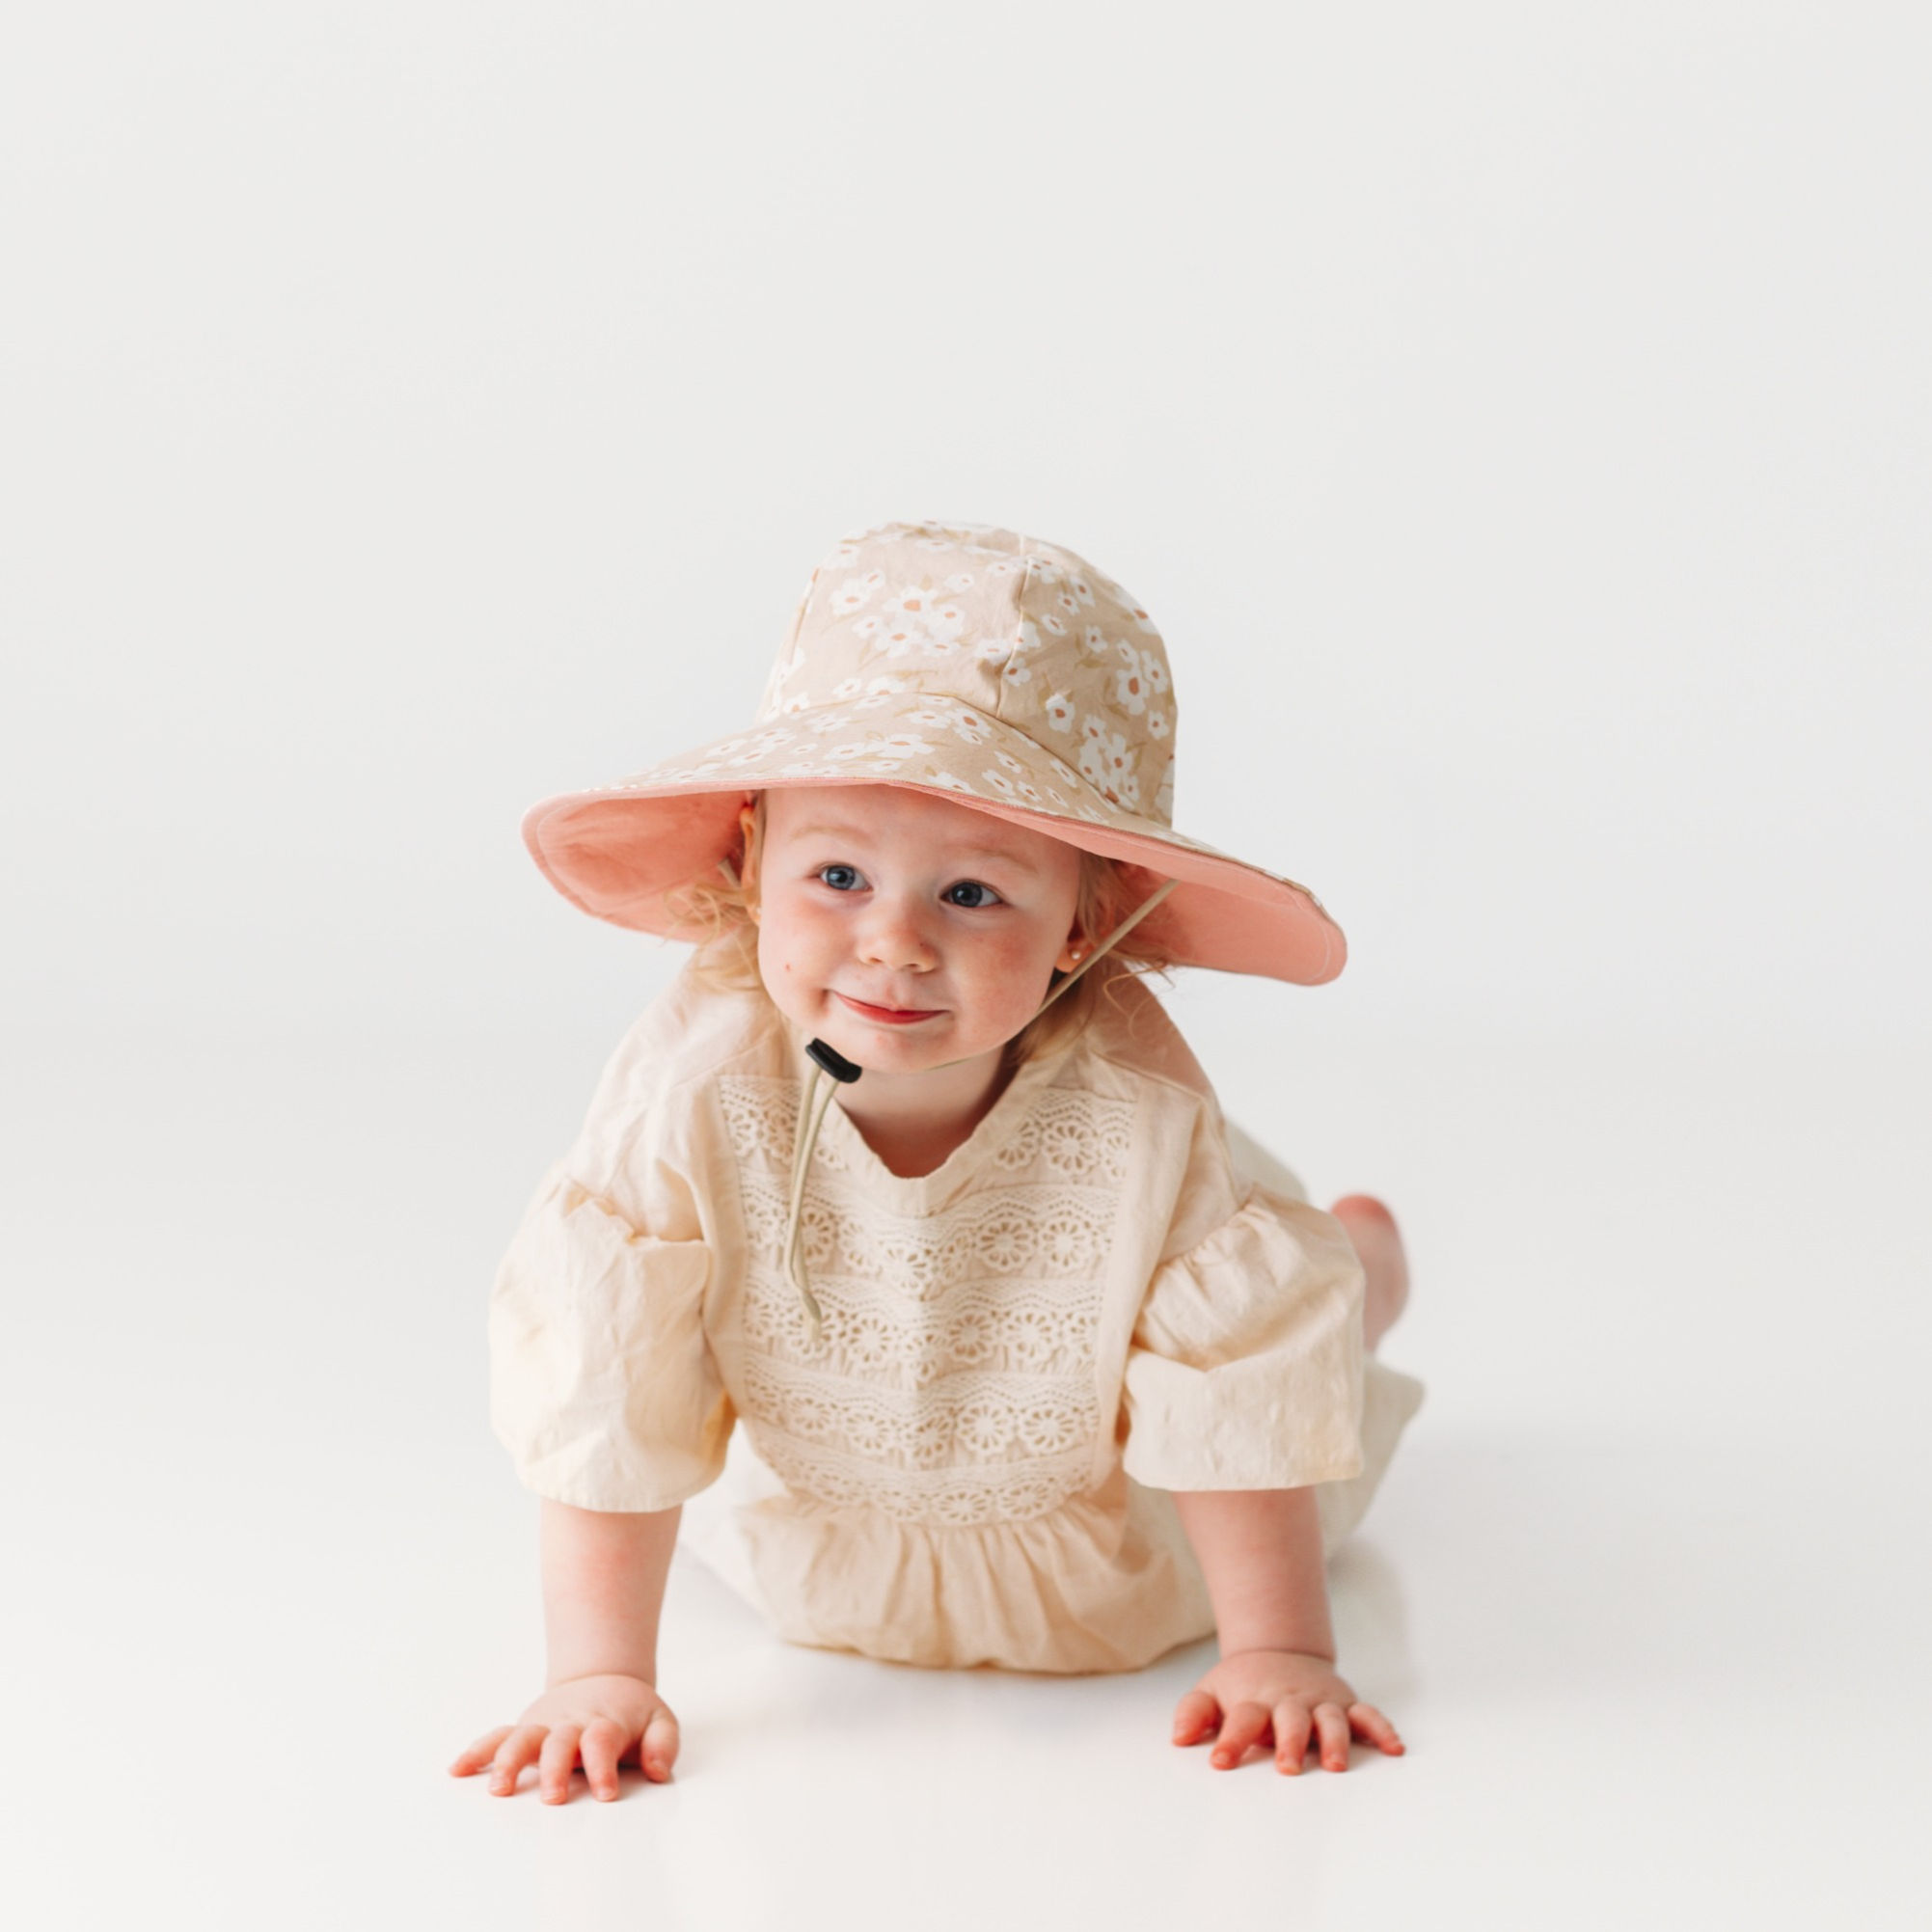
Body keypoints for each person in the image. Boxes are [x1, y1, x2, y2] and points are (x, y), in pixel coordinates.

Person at [450, 519, 1425, 1804]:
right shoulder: (689, 1097)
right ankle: (1348, 1260)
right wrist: (598, 1675)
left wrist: (1281, 1650)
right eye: (839, 874)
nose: (895, 945)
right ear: (748, 867)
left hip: (1116, 1555)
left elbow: (1228, 1386)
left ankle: (1358, 1273)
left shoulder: (1137, 1112)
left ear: (1084, 921)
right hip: (826, 1542)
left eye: (971, 895)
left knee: (1283, 1320)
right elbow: (609, 1374)